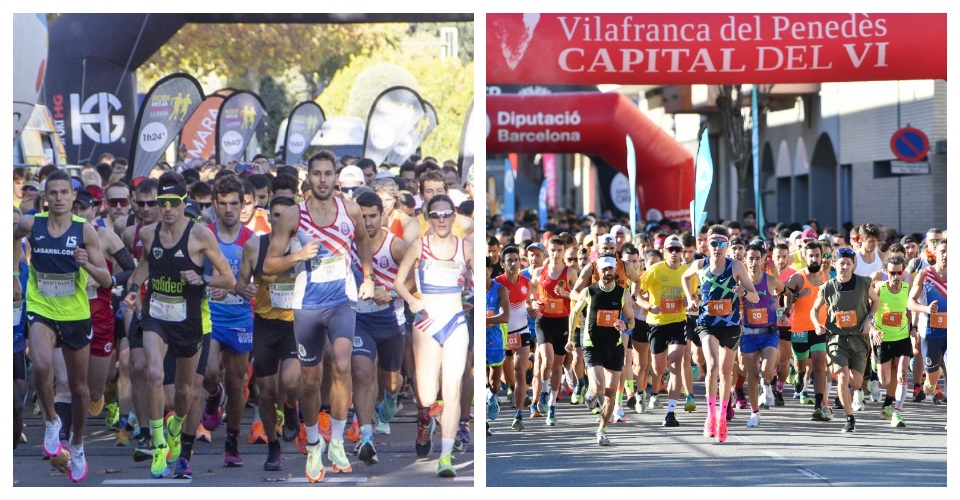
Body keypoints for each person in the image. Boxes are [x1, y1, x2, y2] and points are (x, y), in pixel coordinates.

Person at [263, 150, 375, 482]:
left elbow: (364, 240)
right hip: (307, 303)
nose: (323, 180)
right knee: (309, 381)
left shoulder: (350, 209)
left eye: (328, 174)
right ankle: (314, 444)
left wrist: (367, 277)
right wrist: (297, 254)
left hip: (342, 299)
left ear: (335, 177)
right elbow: (269, 264)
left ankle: (337, 440)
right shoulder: (293, 217)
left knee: (342, 363)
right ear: (308, 179)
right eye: (317, 174)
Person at [123, 172, 236, 478]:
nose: (168, 208)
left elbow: (229, 278)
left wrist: (204, 279)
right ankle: (160, 443)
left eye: (174, 202)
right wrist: (133, 290)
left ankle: (177, 429)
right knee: (153, 372)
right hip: (157, 317)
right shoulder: (148, 233)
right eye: (163, 202)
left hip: (190, 322)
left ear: (184, 203)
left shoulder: (200, 235)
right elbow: (145, 266)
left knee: (186, 392)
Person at [16, 169, 114, 483]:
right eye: (53, 193)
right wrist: (13, 275)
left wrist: (87, 263)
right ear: (45, 197)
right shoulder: (32, 223)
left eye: (64, 193)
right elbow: (12, 237)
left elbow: (107, 279)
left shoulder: (85, 231)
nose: (58, 198)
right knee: (42, 364)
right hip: (42, 307)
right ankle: (50, 422)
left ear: (73, 197)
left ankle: (79, 443)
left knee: (79, 387)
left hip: (75, 314)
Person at [394, 194, 473, 477]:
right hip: (426, 323)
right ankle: (428, 415)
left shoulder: (466, 247)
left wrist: (471, 294)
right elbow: (398, 283)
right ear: (428, 218)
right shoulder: (419, 245)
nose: (441, 219)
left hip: (455, 322)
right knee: (427, 395)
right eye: (435, 214)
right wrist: (412, 301)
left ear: (453, 217)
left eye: (446, 214)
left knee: (451, 388)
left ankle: (446, 456)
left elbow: (479, 280)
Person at [234, 195, 301, 471]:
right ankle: (273, 446)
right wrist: (244, 288)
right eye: (276, 215)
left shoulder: (303, 246)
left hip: (294, 325)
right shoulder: (254, 246)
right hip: (264, 325)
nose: (281, 220)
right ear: (269, 217)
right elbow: (239, 282)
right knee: (265, 392)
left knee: (291, 381)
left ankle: (291, 406)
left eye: (287, 215)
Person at [682, 226, 760, 442]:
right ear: (707, 244)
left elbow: (754, 297)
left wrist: (742, 292)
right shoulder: (700, 264)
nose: (717, 247)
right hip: (707, 324)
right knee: (713, 367)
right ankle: (710, 416)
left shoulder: (735, 265)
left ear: (727, 245)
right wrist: (690, 298)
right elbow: (685, 278)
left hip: (731, 325)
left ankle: (722, 417)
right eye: (713, 243)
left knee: (727, 373)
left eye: (721, 243)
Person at [349, 191, 411, 465]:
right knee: (362, 373)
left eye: (372, 215)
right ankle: (366, 437)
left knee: (391, 382)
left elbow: (415, 280)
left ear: (381, 215)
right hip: (358, 319)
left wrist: (393, 293)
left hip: (391, 321)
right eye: (361, 216)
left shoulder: (395, 245)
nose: (367, 221)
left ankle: (390, 400)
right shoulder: (347, 242)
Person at [809, 247, 881, 432]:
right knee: (841, 376)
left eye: (848, 264)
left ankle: (855, 392)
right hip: (837, 339)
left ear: (853, 265)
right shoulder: (827, 288)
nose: (845, 267)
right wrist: (817, 324)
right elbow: (814, 310)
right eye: (841, 263)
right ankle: (849, 418)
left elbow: (876, 302)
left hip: (858, 339)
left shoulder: (864, 283)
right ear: (835, 264)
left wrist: (869, 318)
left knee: (856, 382)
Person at [567, 256, 635, 446]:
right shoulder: (589, 291)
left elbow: (631, 321)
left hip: (614, 346)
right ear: (598, 272)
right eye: (603, 270)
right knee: (598, 387)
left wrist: (624, 324)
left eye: (610, 269)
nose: (607, 273)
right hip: (592, 345)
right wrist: (570, 339)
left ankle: (602, 430)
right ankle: (589, 392)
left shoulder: (623, 293)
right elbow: (574, 313)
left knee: (611, 393)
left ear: (615, 271)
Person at [635, 235, 690, 428]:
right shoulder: (654, 271)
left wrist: (689, 301)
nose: (674, 253)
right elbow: (637, 295)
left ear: (682, 251)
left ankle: (671, 412)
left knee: (675, 364)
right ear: (664, 251)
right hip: (657, 324)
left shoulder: (687, 272)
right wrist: (649, 307)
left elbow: (696, 296)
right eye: (670, 249)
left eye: (677, 249)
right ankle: (655, 391)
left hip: (678, 322)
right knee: (658, 369)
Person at [740, 242, 789, 427]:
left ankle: (767, 384)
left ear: (763, 260)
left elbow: (788, 293)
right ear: (745, 260)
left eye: (757, 259)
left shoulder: (771, 280)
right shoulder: (739, 281)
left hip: (769, 333)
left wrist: (786, 312)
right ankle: (754, 413)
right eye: (750, 258)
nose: (753, 263)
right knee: (751, 376)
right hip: (748, 334)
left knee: (767, 370)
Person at [783, 241, 831, 415]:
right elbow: (783, 299)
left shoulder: (827, 277)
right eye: (810, 255)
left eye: (817, 255)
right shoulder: (797, 277)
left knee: (819, 364)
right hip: (800, 329)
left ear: (821, 256)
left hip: (820, 328)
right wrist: (797, 295)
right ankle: (798, 375)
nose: (814, 259)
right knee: (800, 365)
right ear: (804, 257)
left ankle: (818, 405)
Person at [494, 246, 534, 430]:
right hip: (501, 336)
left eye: (516, 260)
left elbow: (530, 302)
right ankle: (509, 389)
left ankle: (518, 414)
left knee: (520, 371)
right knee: (507, 377)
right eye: (509, 260)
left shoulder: (527, 282)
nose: (513, 263)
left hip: (522, 331)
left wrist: (533, 309)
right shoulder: (496, 284)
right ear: (502, 264)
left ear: (520, 262)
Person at [873, 255, 912, 427]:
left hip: (902, 337)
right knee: (885, 380)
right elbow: (869, 311)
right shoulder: (879, 289)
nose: (895, 276)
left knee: (902, 373)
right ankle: (875, 365)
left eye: (899, 272)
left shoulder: (906, 288)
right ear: (885, 272)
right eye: (892, 273)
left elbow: (911, 309)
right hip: (884, 338)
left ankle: (897, 412)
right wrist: (873, 331)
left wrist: (914, 326)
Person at [907, 239, 947, 404]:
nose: (946, 255)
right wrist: (926, 309)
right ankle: (929, 385)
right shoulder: (924, 274)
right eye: (943, 251)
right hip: (931, 334)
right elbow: (910, 302)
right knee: (931, 379)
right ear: (935, 252)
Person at [485, 257, 510, 436]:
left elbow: (505, 316)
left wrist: (483, 320)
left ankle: (492, 397)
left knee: (494, 384)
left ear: (490, 270)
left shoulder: (500, 289)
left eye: (484, 269)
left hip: (495, 340)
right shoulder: (469, 289)